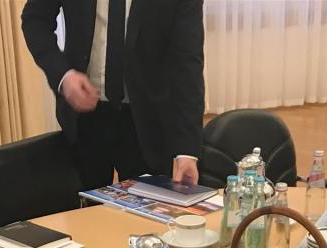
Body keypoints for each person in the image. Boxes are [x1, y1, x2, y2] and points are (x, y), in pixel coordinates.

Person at [21, 0, 204, 190]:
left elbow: (188, 63)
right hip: (83, 117)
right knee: (83, 206)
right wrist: (63, 75)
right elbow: (35, 18)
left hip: (148, 123)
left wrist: (187, 152)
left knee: (147, 206)